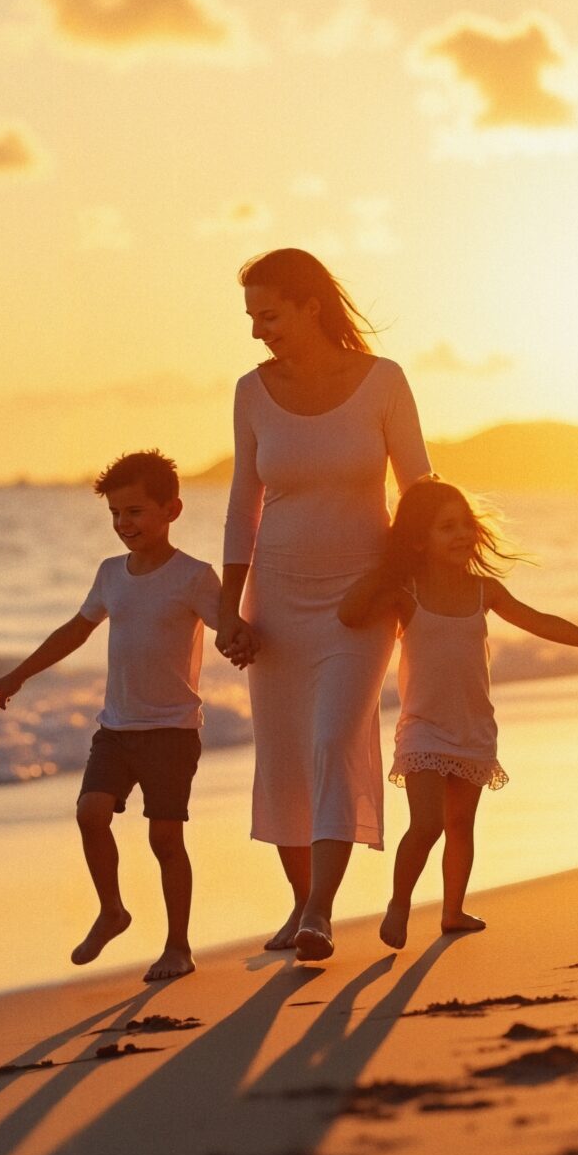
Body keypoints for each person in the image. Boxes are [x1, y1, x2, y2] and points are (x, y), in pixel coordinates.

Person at [216, 248, 430, 962]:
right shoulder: (251, 391)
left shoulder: (383, 382)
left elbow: (420, 491)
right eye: (252, 317)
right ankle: (301, 902)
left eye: (269, 315)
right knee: (284, 758)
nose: (258, 331)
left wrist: (394, 583)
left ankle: (319, 912)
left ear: (311, 306)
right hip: (276, 599)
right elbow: (243, 505)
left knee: (334, 739)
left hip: (361, 600)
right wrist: (229, 609)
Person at [339, 477, 578, 950]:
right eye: (446, 527)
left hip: (473, 726)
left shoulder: (484, 592)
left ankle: (452, 911)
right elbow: (349, 615)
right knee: (427, 823)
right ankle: (399, 904)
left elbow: (540, 621)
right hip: (423, 728)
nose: (461, 534)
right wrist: (384, 569)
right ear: (419, 540)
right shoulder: (406, 593)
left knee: (460, 826)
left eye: (465, 524)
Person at [0, 450, 223, 982]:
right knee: (90, 814)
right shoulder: (111, 573)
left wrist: (242, 640)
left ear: (172, 510)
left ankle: (178, 946)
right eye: (115, 513)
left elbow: (228, 625)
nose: (123, 524)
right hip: (116, 728)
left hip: (171, 730)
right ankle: (112, 911)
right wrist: (18, 674)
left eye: (135, 512)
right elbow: (77, 629)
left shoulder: (194, 576)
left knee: (165, 840)